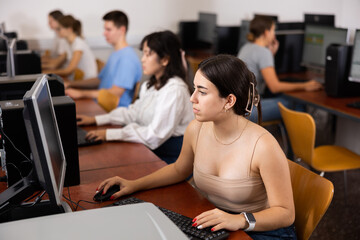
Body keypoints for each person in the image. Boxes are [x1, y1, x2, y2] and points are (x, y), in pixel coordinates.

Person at [94, 55, 297, 239]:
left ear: (229, 101)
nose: (193, 98)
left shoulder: (263, 145)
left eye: (202, 91)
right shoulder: (196, 129)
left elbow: (286, 213)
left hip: (260, 230)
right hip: (217, 221)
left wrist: (240, 220)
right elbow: (178, 169)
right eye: (194, 88)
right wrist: (134, 184)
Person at [77, 30, 194, 164]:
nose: (142, 59)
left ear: (165, 59)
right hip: (150, 148)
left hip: (171, 158)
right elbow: (133, 113)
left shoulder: (174, 90)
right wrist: (96, 120)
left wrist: (110, 134)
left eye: (148, 54)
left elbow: (154, 135)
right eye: (143, 53)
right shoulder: (151, 85)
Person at [238, 16, 322, 122]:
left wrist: (271, 54)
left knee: (287, 103)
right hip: (251, 110)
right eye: (273, 30)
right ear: (266, 32)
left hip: (241, 107)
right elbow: (274, 87)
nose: (274, 34)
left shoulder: (247, 47)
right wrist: (305, 85)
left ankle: (287, 137)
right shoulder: (263, 53)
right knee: (296, 103)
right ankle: (295, 138)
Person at [65, 10, 142, 108]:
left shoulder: (127, 58)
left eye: (108, 30)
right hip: (99, 105)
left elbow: (116, 92)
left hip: (110, 111)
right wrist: (71, 84)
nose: (104, 33)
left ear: (122, 30)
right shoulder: (116, 53)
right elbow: (99, 80)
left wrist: (82, 93)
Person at [43, 15, 97, 80]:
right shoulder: (69, 44)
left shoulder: (78, 44)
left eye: (59, 29)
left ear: (69, 29)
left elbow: (69, 70)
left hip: (86, 81)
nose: (57, 31)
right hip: (77, 78)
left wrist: (48, 72)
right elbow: (57, 62)